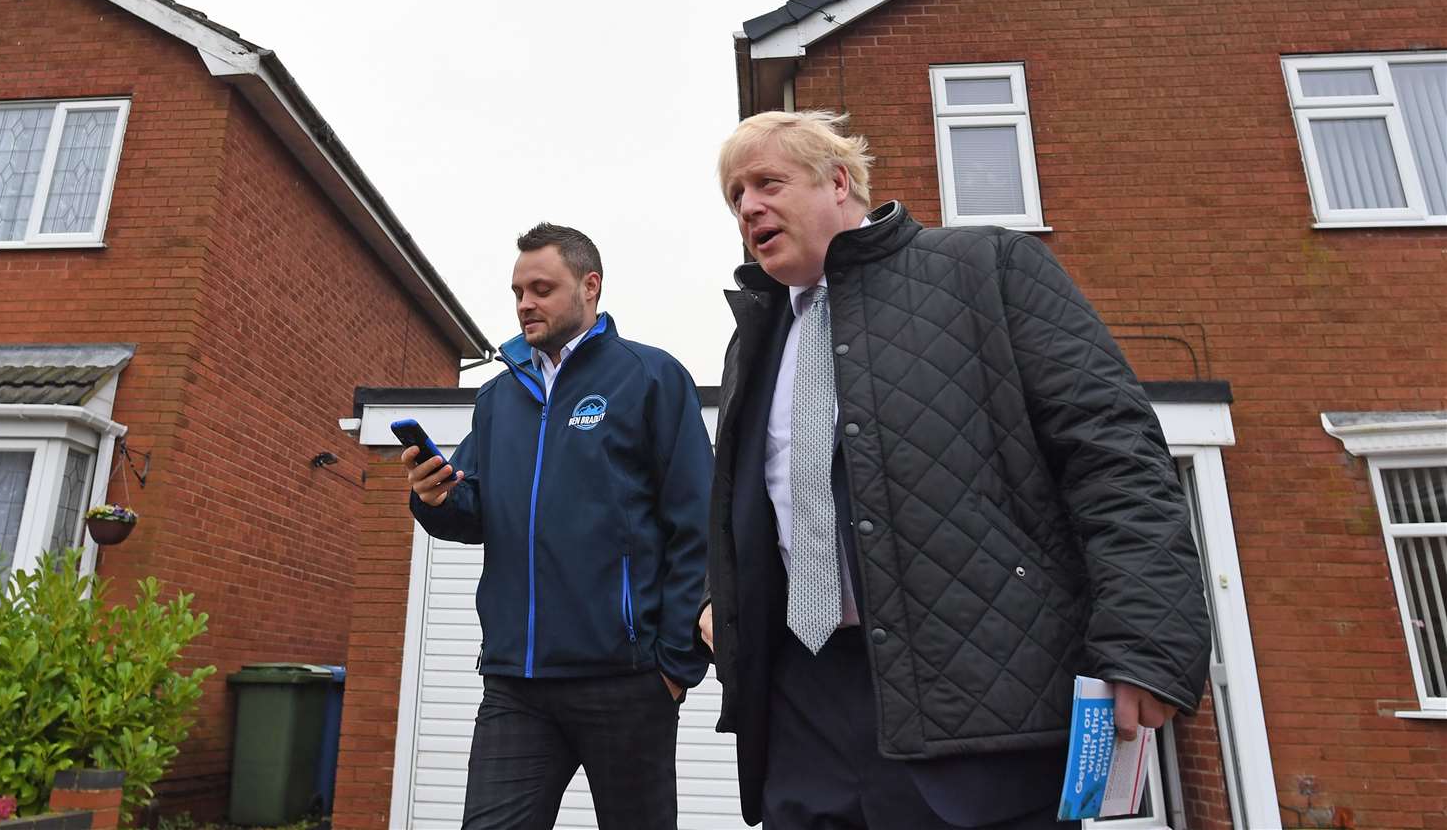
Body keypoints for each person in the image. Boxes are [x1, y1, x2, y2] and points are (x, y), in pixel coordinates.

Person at [699, 111, 1211, 829]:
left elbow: (1114, 456)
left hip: (977, 712)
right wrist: (718, 595)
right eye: (734, 196)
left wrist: (1147, 643)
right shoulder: (754, 339)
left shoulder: (986, 269)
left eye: (767, 182)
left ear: (838, 181)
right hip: (802, 711)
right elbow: (748, 506)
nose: (748, 206)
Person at [406, 222, 714, 830]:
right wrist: (433, 499)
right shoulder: (499, 397)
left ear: (590, 285)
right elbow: (477, 513)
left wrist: (674, 667)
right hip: (515, 683)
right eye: (518, 290)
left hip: (625, 681)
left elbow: (696, 523)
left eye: (542, 288)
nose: (525, 304)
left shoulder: (650, 378)